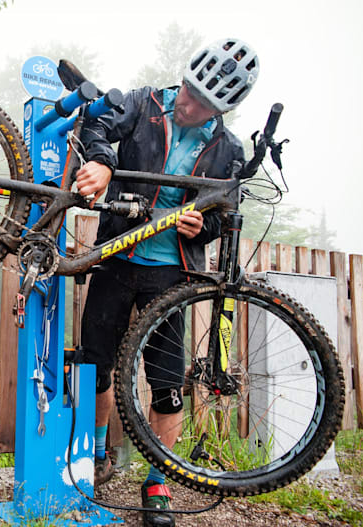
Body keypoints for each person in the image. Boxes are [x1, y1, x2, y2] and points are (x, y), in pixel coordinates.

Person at [75, 38, 259, 527]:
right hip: (118, 253)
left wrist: (208, 226)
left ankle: (158, 480)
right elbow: (96, 125)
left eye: (202, 101)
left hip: (172, 274)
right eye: (189, 88)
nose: (187, 101)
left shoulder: (230, 149)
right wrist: (102, 160)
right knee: (96, 363)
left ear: (223, 109)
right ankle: (98, 455)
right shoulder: (146, 102)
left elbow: (226, 213)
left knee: (167, 384)